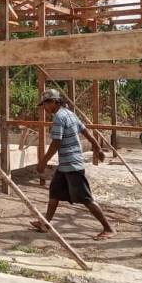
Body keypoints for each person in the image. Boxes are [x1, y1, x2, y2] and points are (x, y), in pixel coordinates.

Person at [33, 89, 115, 240]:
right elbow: (86, 132)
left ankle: (109, 228)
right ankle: (46, 224)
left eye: (45, 104)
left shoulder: (58, 117)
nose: (44, 108)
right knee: (54, 193)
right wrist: (97, 148)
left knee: (86, 198)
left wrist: (43, 161)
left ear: (53, 102)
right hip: (66, 165)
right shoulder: (69, 113)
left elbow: (56, 142)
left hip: (72, 165)